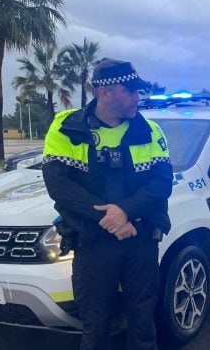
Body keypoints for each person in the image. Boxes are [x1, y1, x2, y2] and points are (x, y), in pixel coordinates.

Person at [42, 58, 173, 350]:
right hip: (92, 242)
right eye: (129, 91)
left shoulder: (150, 130)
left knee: (142, 321)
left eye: (138, 91)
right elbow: (60, 186)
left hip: (139, 240)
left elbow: (162, 183)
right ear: (104, 92)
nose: (136, 97)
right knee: (96, 324)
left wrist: (124, 212)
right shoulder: (65, 127)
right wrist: (110, 219)